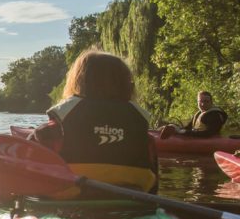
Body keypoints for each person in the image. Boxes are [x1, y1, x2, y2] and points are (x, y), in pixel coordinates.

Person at [30, 50, 158, 197]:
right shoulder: (138, 118)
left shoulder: (61, 121)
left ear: (79, 81)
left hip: (70, 193)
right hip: (133, 196)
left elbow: (28, 159)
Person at [159, 90, 227, 139]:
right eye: (201, 101)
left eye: (206, 101)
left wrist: (186, 133)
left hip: (211, 141)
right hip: (197, 137)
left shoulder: (214, 115)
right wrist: (176, 128)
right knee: (173, 126)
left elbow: (208, 134)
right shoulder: (199, 113)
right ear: (198, 102)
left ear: (211, 102)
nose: (203, 104)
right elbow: (188, 127)